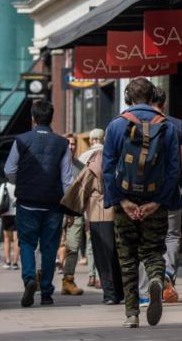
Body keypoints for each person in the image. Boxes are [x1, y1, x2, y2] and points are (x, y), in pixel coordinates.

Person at [103, 77, 181, 328]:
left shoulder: (116, 125)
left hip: (125, 201)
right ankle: (157, 279)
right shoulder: (168, 127)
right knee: (153, 251)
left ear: (128, 97)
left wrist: (121, 201)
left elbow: (107, 168)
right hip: (154, 198)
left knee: (127, 258)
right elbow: (173, 170)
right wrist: (158, 203)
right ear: (153, 97)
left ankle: (132, 314)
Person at [5, 100, 74, 307]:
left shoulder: (21, 140)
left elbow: (9, 170)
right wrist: (70, 207)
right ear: (51, 118)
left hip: (27, 202)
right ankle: (46, 292)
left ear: (33, 119)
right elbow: (67, 179)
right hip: (52, 204)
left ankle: (29, 279)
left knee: (26, 243)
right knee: (50, 247)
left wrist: (22, 180)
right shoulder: (62, 144)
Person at [143, 86, 182, 305]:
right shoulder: (177, 125)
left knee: (148, 237)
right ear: (164, 103)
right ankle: (166, 275)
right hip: (172, 190)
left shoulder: (139, 123)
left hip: (145, 192)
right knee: (172, 235)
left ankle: (149, 284)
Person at [80, 128, 124, 305]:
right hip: (120, 210)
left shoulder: (94, 158)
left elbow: (82, 185)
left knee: (102, 255)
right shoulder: (120, 155)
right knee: (118, 254)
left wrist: (75, 211)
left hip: (98, 212)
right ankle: (121, 291)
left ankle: (110, 293)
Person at [78, 128, 106, 289]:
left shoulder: (83, 157)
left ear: (91, 140)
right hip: (108, 207)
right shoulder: (109, 154)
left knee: (91, 242)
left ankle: (91, 275)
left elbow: (80, 185)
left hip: (89, 207)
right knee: (106, 244)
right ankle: (103, 276)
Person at [60, 133, 85, 296]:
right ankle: (41, 280)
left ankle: (68, 281)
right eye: (68, 144)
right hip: (56, 211)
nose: (71, 147)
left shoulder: (81, 167)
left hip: (75, 212)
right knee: (48, 246)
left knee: (73, 247)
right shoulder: (55, 165)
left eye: (73, 144)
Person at [0, 178, 19, 269]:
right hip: (18, 214)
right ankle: (15, 263)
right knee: (16, 239)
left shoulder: (4, 185)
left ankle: (7, 261)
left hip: (6, 214)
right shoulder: (20, 184)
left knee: (6, 239)